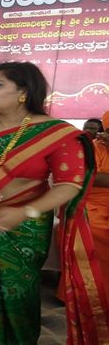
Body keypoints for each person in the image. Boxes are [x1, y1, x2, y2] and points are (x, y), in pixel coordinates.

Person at [0, 62, 109, 344]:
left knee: (15, 291)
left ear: (24, 92)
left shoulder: (57, 133)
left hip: (24, 225)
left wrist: (22, 213)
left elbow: (69, 185)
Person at [87, 110, 109, 301]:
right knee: (96, 230)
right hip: (94, 206)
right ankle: (93, 292)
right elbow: (91, 177)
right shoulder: (94, 148)